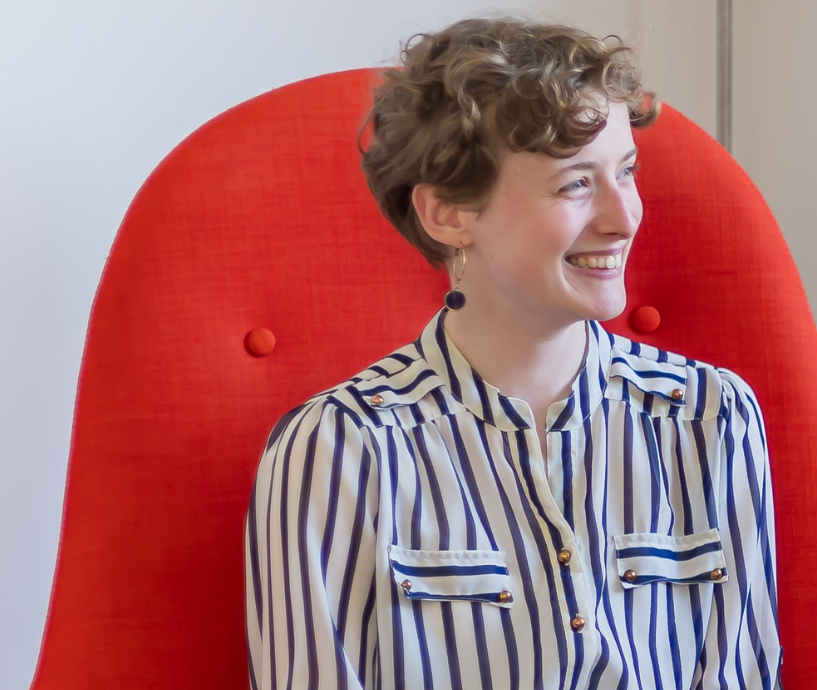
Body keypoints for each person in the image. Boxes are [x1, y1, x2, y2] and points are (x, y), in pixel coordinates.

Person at [243, 14, 781, 690]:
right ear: (447, 214)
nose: (625, 216)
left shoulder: (712, 417)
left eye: (627, 172)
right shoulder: (338, 448)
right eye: (576, 184)